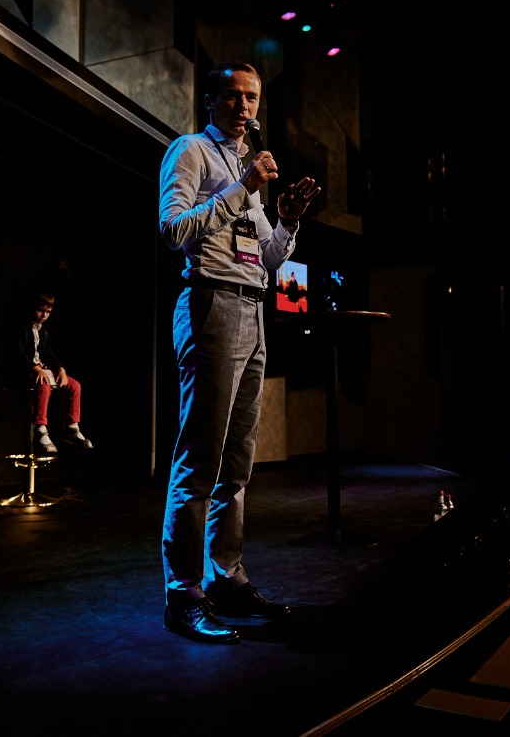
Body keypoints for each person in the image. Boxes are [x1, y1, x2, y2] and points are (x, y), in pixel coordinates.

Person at [157, 61, 322, 644]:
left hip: (252, 309)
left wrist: (286, 221)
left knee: (237, 464)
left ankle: (224, 576)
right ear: (210, 101)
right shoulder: (191, 152)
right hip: (210, 303)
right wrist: (243, 189)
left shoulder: (247, 170)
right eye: (231, 96)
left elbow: (267, 259)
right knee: (200, 458)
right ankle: (183, 593)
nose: (243, 106)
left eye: (251, 97)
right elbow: (173, 231)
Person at [0, 289, 94, 454]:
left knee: (75, 386)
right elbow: (17, 353)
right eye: (40, 310)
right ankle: (40, 430)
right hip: (21, 370)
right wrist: (36, 368)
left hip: (40, 370)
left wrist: (60, 369)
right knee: (43, 384)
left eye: (48, 312)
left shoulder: (42, 330)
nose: (44, 315)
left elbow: (48, 353)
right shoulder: (18, 326)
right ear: (31, 308)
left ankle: (72, 428)